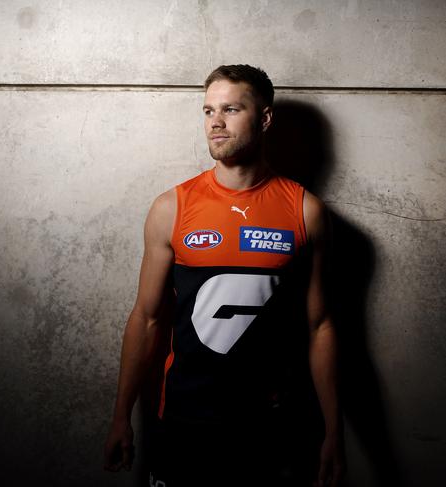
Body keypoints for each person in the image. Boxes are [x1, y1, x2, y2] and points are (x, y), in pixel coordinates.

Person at [103, 64, 345, 486]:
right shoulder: (171, 207)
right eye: (208, 111)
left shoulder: (305, 211)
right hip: (183, 420)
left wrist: (333, 431)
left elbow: (320, 326)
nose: (215, 122)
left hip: (268, 426)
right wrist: (121, 417)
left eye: (231, 109)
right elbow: (146, 318)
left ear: (265, 118)